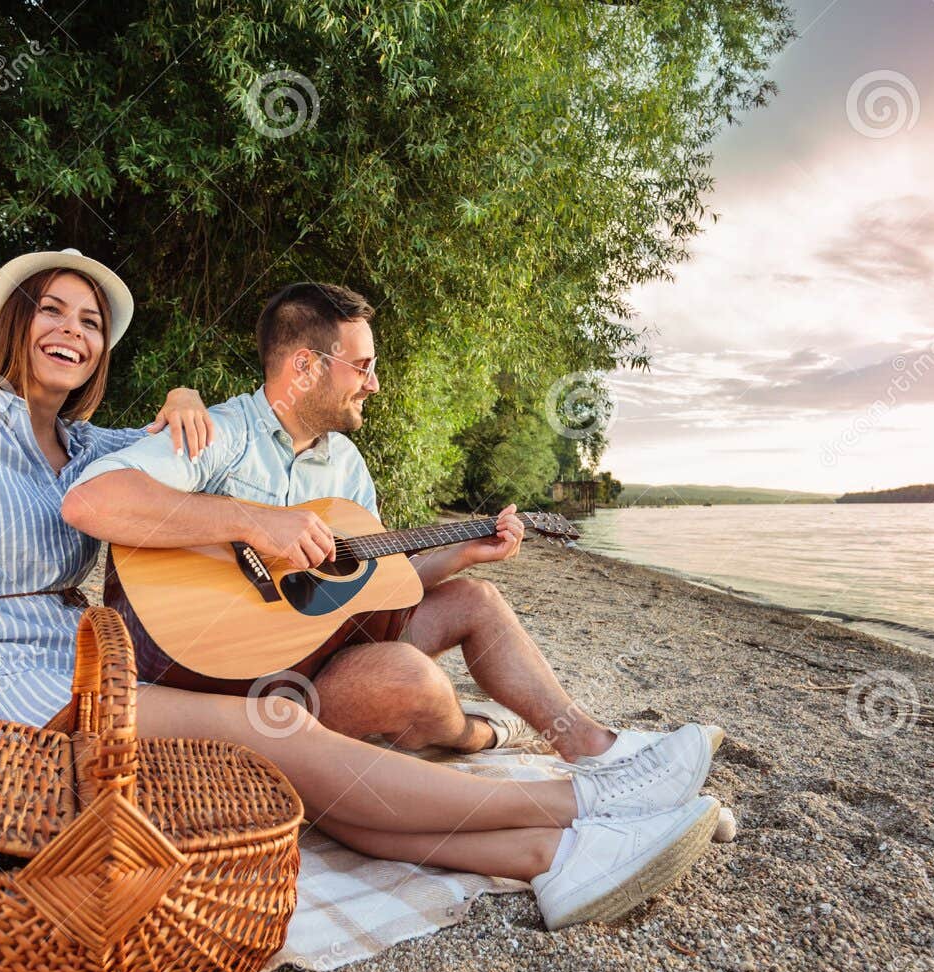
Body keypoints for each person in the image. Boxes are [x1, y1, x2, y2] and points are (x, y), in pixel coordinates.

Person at [0, 238, 723, 930]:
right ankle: (588, 801)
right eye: (53, 312)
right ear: (13, 326)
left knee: (294, 770)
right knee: (278, 728)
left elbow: (137, 475)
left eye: (91, 322)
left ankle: (551, 856)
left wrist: (178, 398)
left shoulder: (83, 442)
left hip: (83, 657)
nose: (73, 332)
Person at [61, 281, 720, 773]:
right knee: (411, 680)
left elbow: (376, 586)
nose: (375, 383)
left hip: (317, 659)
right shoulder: (219, 434)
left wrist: (462, 551)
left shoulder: (345, 464)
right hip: (221, 684)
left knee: (475, 600)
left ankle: (592, 745)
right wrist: (253, 520)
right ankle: (474, 736)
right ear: (306, 368)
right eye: (363, 365)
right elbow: (92, 501)